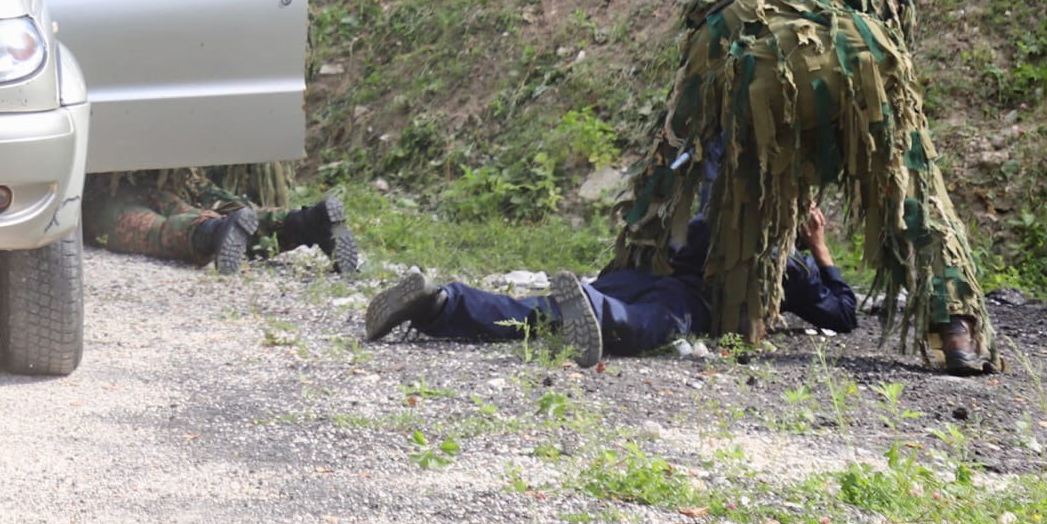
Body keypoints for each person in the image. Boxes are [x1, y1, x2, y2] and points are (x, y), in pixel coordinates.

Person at [611, 0, 994, 376]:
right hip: (865, 59)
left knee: (748, 186)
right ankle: (957, 328)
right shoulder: (859, 20)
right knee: (913, 189)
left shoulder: (725, 20)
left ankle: (735, 317)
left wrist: (636, 257)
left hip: (755, 70)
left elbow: (671, 161)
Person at [364, 205, 858, 367]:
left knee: (537, 312)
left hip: (631, 274)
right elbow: (842, 315)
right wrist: (818, 247)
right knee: (650, 324)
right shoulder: (781, 263)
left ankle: (441, 303)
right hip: (680, 299)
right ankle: (596, 309)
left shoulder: (702, 210)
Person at [82, 172, 361, 276]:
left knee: (153, 231)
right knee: (232, 214)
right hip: (173, 176)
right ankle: (308, 221)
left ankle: (211, 233)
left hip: (105, 190)